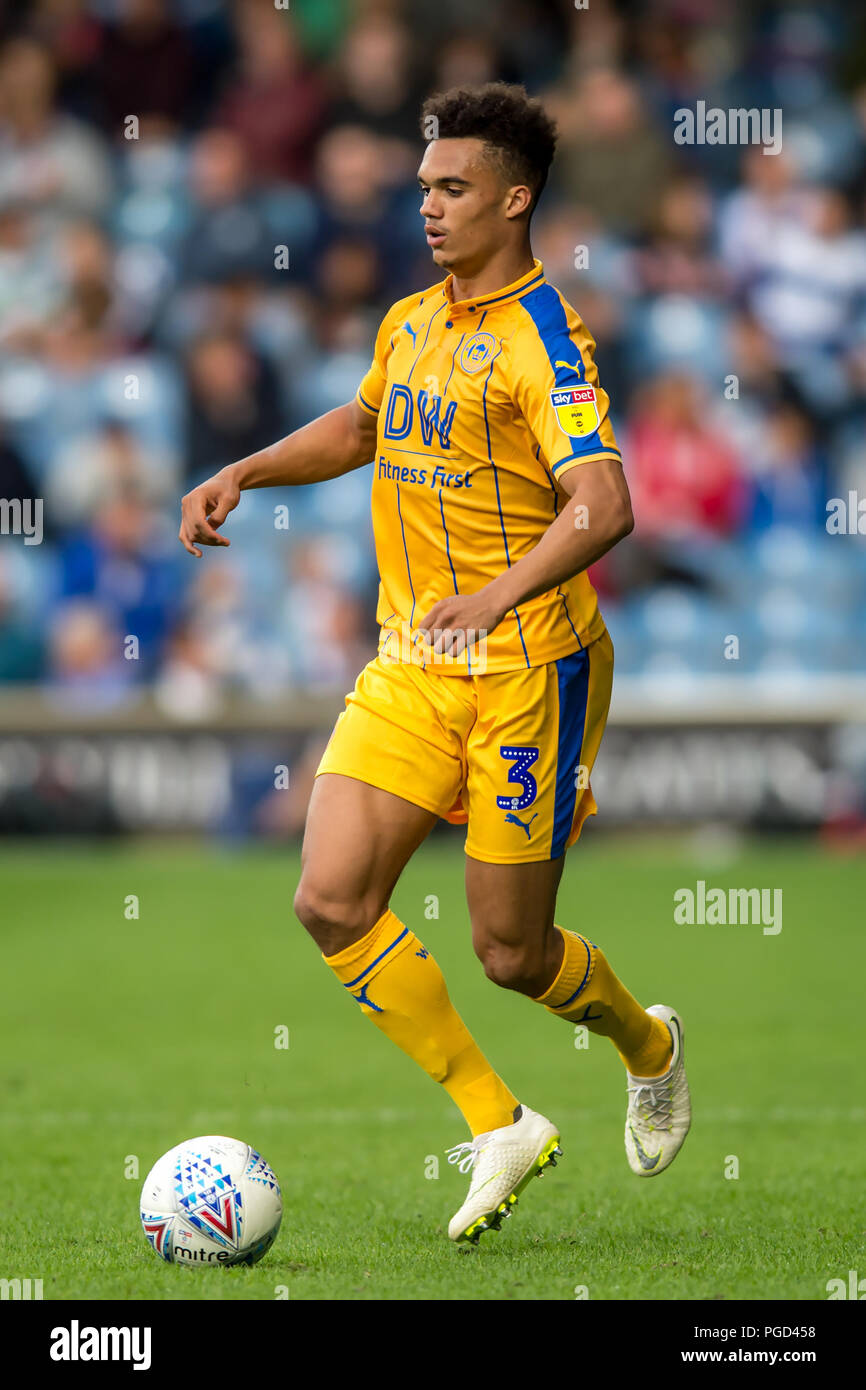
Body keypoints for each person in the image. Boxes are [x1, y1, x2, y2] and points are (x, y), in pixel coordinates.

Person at [179, 82, 691, 1244]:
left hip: (528, 671)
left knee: (510, 952)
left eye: (452, 189)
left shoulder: (541, 337)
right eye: (422, 187)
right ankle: (495, 1117)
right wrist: (244, 470)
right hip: (412, 660)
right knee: (327, 898)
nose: (427, 206)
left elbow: (603, 502)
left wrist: (500, 591)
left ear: (514, 200)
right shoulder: (410, 320)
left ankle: (646, 1043)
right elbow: (363, 426)